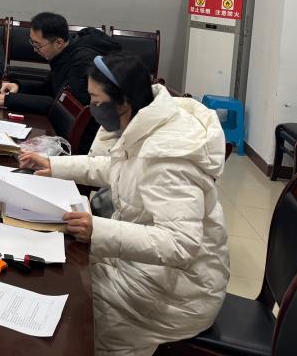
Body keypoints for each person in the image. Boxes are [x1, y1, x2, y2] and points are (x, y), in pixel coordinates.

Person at [19, 52, 228, 356]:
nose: (92, 108)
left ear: (124, 102)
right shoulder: (145, 126)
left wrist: (98, 229)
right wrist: (53, 165)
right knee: (58, 277)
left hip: (178, 294)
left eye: (96, 100)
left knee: (72, 318)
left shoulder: (168, 160)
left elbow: (180, 244)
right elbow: (115, 167)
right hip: (142, 268)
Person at [0, 11, 119, 111]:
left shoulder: (83, 61)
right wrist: (19, 87)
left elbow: (62, 105)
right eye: (32, 42)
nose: (35, 49)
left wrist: (9, 100)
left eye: (38, 44)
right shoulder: (64, 52)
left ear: (59, 42)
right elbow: (49, 89)